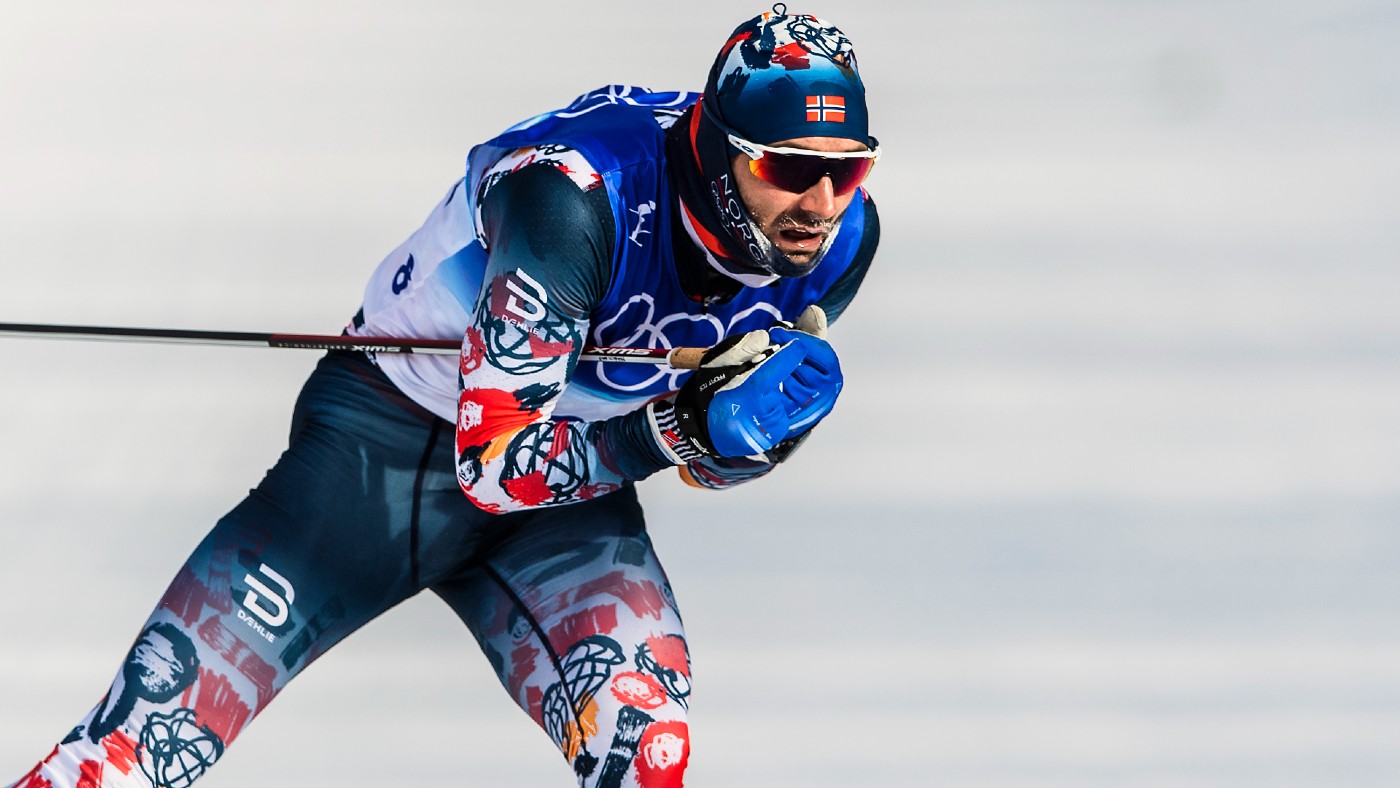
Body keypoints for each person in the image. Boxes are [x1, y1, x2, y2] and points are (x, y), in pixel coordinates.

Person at [9, 5, 879, 787]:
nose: (819, 204)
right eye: (789, 167)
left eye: (848, 173)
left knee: (647, 752)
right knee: (129, 758)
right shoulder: (574, 201)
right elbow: (494, 466)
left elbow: (709, 461)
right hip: (375, 463)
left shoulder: (841, 245)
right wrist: (675, 430)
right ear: (716, 146)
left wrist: (750, 431)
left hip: (565, 496)